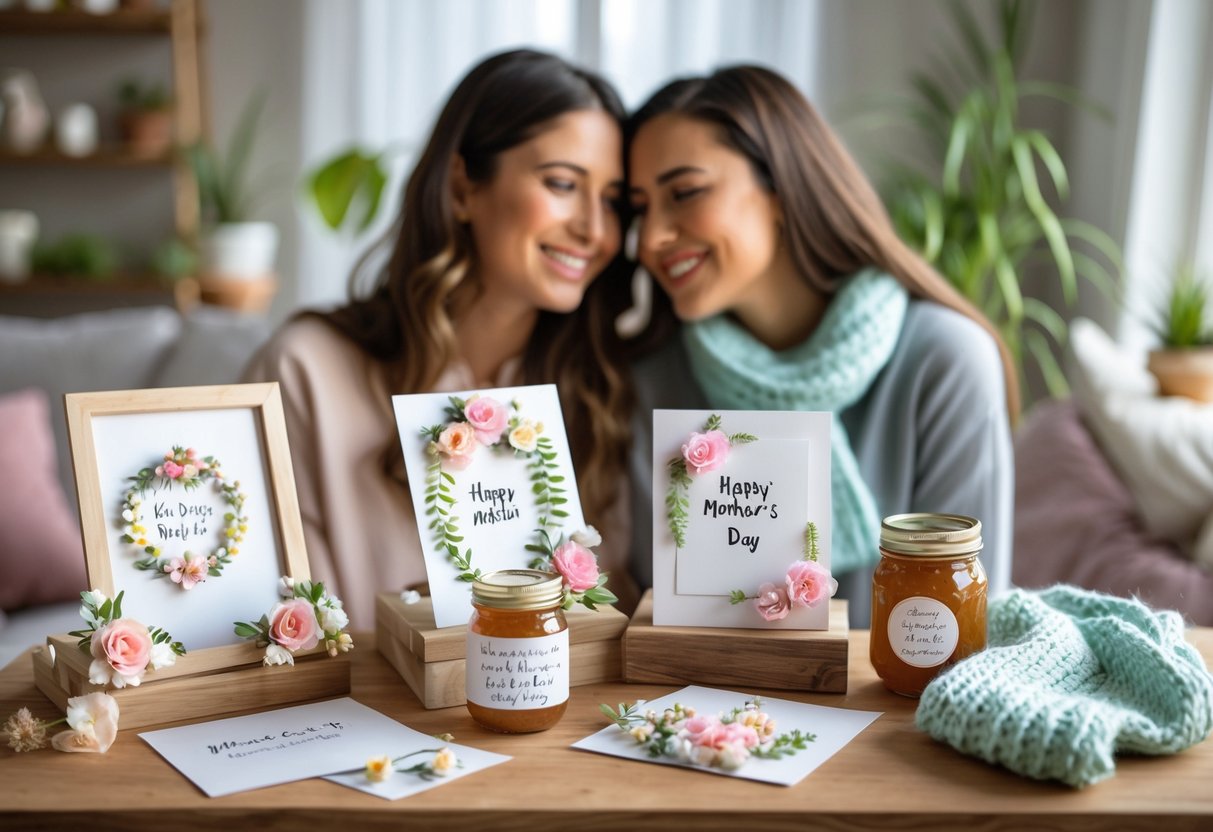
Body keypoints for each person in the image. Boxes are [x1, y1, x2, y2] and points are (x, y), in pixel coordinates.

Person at [244, 49, 638, 628]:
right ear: (461, 188)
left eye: (612, 202)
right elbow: (268, 631)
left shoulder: (596, 385)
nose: (595, 230)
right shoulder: (305, 370)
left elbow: (607, 628)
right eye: (562, 183)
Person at [624, 65, 1017, 626]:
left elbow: (972, 626)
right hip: (702, 708)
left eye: (685, 193)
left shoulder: (945, 361)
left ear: (782, 188)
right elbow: (647, 617)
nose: (653, 238)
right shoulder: (651, 381)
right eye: (640, 208)